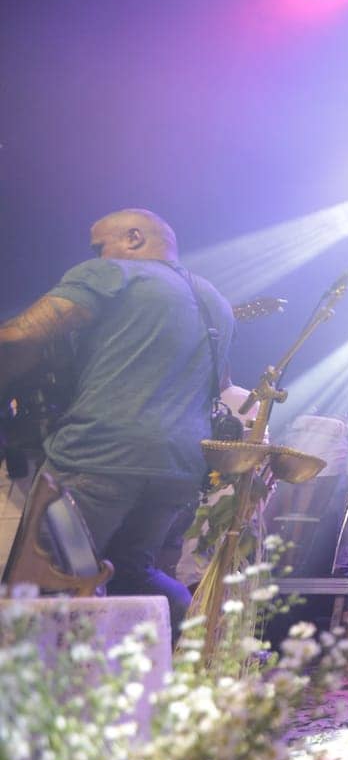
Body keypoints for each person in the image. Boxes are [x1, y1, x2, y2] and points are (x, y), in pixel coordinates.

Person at [0, 209, 234, 631]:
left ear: (132, 238)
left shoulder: (117, 274)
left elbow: (23, 334)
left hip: (99, 456)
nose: (96, 255)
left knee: (41, 580)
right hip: (177, 471)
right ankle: (196, 642)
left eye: (99, 246)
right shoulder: (214, 301)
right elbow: (220, 384)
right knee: (131, 572)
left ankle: (38, 690)